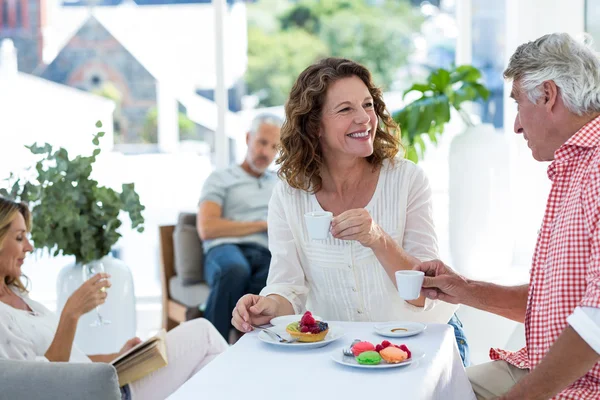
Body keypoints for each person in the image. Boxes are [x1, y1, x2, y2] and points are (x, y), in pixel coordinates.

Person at [231, 57, 469, 364]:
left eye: (368, 105)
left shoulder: (407, 179)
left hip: (426, 341)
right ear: (314, 125)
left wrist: (377, 238)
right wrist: (265, 307)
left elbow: (423, 292)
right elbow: (287, 286)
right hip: (348, 354)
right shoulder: (289, 194)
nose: (365, 119)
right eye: (346, 109)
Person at [416, 33, 600, 400]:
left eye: (518, 104)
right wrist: (464, 290)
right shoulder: (578, 165)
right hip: (540, 365)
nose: (516, 125)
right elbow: (559, 301)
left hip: (582, 386)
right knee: (426, 388)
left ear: (548, 95)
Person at [0, 197, 228, 400]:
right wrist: (71, 314)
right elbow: (41, 385)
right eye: (20, 238)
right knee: (204, 335)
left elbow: (72, 360)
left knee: (206, 367)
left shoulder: (18, 296)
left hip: (105, 379)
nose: (29, 247)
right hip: (102, 393)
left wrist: (119, 356)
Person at [197, 113, 283, 340]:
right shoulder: (221, 178)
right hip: (225, 249)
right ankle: (210, 347)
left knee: (277, 281)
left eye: (274, 146)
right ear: (248, 138)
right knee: (235, 270)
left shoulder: (280, 183)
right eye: (262, 142)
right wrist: (261, 225)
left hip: (265, 252)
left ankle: (254, 349)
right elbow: (207, 228)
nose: (266, 152)